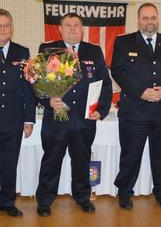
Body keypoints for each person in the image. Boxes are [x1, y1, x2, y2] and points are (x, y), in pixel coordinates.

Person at [111, 3, 161, 210]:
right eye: (145, 18)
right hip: (134, 110)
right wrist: (141, 92)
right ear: (138, 20)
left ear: (157, 19)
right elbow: (117, 71)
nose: (149, 22)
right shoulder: (124, 42)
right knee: (130, 155)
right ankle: (125, 192)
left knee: (160, 155)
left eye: (153, 17)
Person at [36, 13, 112, 216]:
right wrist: (48, 101)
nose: (72, 29)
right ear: (60, 29)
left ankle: (82, 197)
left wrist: (102, 109)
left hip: (84, 120)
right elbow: (36, 83)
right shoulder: (48, 50)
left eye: (76, 25)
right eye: (67, 25)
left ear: (83, 28)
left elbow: (105, 83)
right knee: (51, 161)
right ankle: (44, 200)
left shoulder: (94, 51)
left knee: (82, 161)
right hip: (57, 120)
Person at [0, 8, 36, 217]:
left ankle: (7, 201)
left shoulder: (23, 53)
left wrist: (29, 119)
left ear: (11, 28)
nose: (2, 29)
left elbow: (28, 88)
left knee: (9, 162)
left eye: (6, 25)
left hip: (13, 120)